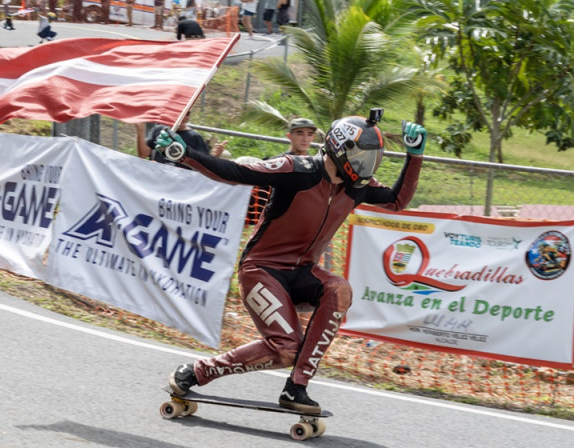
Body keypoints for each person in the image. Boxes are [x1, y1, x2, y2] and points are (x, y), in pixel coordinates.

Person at [155, 110, 426, 413]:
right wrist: (184, 154)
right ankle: (195, 372)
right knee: (286, 349)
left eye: (373, 157)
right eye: (362, 155)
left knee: (339, 290)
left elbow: (397, 200)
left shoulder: (356, 186)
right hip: (261, 271)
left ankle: (296, 389)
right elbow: (235, 172)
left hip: (301, 273)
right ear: (339, 147)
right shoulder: (296, 169)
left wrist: (414, 156)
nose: (368, 165)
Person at [135, 113, 227, 168]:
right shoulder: (159, 130)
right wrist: (140, 129)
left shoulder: (195, 138)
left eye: (187, 114)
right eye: (180, 113)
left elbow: (204, 167)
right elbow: (143, 154)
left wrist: (214, 156)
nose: (183, 118)